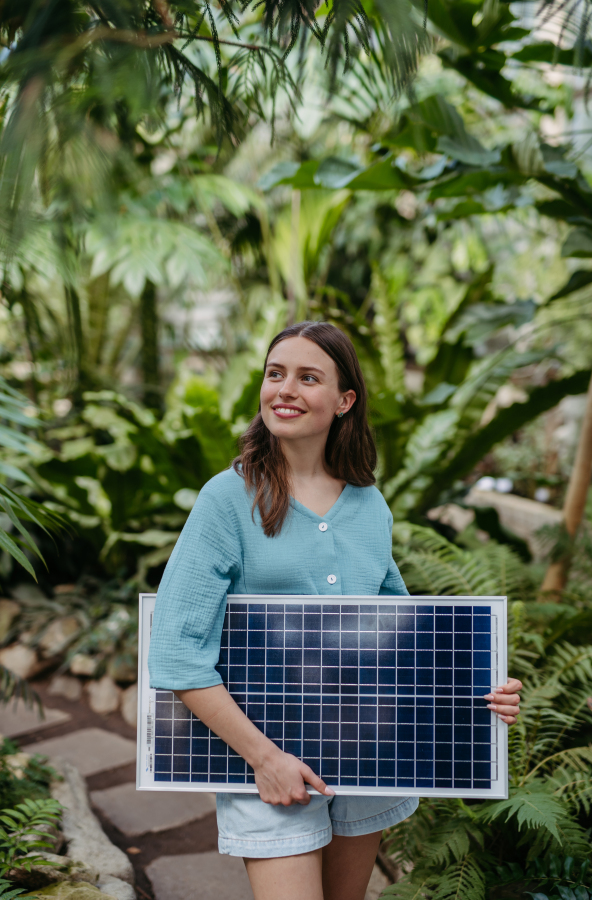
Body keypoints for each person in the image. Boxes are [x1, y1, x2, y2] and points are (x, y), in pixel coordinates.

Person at [148, 321, 522, 900]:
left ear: (344, 401)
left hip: (366, 758)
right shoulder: (225, 500)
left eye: (307, 377)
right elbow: (176, 654)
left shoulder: (370, 506)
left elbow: (404, 640)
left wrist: (482, 692)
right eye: (276, 374)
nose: (285, 389)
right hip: (263, 765)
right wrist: (266, 760)